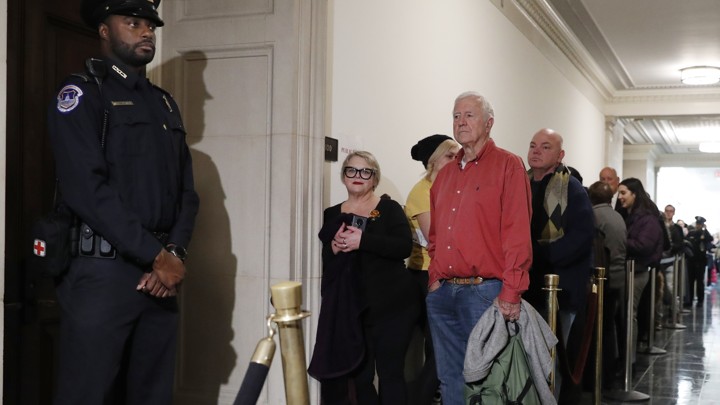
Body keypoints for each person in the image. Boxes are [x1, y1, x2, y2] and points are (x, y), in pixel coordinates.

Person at [47, 1, 200, 404]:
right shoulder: (82, 93)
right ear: (104, 30)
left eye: (149, 24)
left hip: (161, 277)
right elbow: (87, 191)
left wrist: (172, 254)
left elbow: (187, 192)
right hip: (103, 274)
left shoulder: (165, 103)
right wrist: (156, 256)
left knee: (152, 396)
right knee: (88, 394)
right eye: (132, 23)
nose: (146, 32)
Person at [426, 91, 532, 405]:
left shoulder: (508, 165)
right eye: (456, 116)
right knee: (449, 379)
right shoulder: (444, 175)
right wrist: (434, 277)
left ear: (488, 123)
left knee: (489, 383)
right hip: (444, 294)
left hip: (485, 293)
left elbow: (517, 233)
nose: (461, 122)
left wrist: (512, 291)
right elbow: (435, 235)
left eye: (469, 115)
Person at [310, 151, 419, 404]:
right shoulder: (331, 213)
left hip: (393, 307)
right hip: (354, 311)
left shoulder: (388, 208)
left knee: (390, 375)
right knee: (360, 379)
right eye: (351, 170)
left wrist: (363, 240)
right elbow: (327, 261)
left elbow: (403, 247)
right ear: (344, 176)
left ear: (374, 178)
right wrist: (334, 248)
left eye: (365, 171)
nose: (357, 176)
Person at [525, 129, 594, 400]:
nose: (536, 151)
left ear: (560, 155)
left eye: (545, 146)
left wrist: (543, 256)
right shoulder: (521, 183)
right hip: (526, 284)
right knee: (529, 355)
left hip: (561, 285)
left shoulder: (572, 188)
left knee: (552, 355)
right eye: (532, 146)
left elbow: (581, 236)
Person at [405, 134, 459, 405]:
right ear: (433, 161)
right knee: (442, 349)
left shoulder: (450, 187)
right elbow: (434, 238)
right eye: (450, 155)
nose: (456, 159)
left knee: (439, 347)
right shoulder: (421, 191)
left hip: (446, 274)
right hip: (427, 274)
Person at [616, 178, 664, 361]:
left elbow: (643, 245)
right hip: (628, 269)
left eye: (623, 193)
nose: (620, 197)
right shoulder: (627, 215)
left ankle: (629, 359)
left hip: (638, 271)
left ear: (634, 194)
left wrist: (619, 241)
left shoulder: (647, 218)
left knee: (629, 314)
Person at [588, 181, 627, 389]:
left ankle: (599, 376)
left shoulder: (594, 216)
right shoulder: (617, 216)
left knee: (598, 329)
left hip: (603, 280)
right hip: (619, 278)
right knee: (609, 327)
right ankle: (609, 374)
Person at [686, 216, 714, 307]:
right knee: (690, 281)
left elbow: (710, 239)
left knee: (699, 282)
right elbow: (686, 241)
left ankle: (700, 301)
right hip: (691, 260)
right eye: (697, 224)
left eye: (700, 224)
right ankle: (689, 300)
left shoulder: (704, 233)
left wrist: (705, 230)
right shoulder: (691, 233)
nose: (698, 226)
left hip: (700, 261)